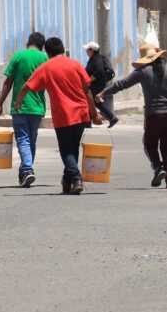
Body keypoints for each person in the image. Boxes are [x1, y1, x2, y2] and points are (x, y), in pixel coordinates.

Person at [97, 44, 167, 189]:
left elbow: (122, 84)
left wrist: (104, 92)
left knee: (149, 144)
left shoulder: (142, 71)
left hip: (154, 116)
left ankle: (158, 168)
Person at [15, 37, 104, 195]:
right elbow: (87, 91)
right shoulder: (75, 64)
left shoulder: (46, 67)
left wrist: (18, 103)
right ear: (63, 49)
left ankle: (76, 179)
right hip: (81, 113)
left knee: (67, 151)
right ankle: (67, 179)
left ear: (47, 52)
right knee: (73, 148)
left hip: (63, 115)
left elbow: (25, 88)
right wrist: (94, 114)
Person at [0, 32, 48, 188]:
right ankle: (25, 172)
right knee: (31, 140)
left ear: (28, 42)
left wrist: (0, 103)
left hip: (19, 106)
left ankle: (27, 169)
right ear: (42, 46)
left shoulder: (18, 56)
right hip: (37, 108)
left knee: (23, 139)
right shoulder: (44, 59)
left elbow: (8, 82)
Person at [83, 41, 119, 128]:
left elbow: (99, 71)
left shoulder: (97, 59)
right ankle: (112, 118)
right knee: (96, 102)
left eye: (87, 49)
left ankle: (87, 122)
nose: (86, 51)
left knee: (88, 100)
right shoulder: (93, 59)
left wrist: (89, 80)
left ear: (92, 50)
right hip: (95, 84)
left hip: (96, 85)